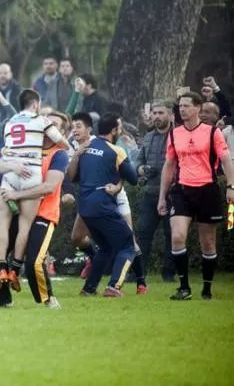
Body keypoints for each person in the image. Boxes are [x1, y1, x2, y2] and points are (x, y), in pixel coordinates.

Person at [0, 112, 70, 308]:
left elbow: (48, 187)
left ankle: (47, 299)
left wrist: (15, 195)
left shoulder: (59, 154)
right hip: (16, 212)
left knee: (34, 262)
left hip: (43, 213)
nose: (47, 129)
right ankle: (3, 301)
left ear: (60, 132)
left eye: (54, 126)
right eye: (46, 124)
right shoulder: (16, 149)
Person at [0, 90, 68, 293]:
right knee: (24, 226)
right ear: (36, 104)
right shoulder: (41, 120)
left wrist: (12, 165)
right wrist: (70, 147)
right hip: (31, 172)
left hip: (11, 170)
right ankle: (15, 269)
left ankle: (0, 269)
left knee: (3, 225)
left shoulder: (9, 122)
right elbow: (59, 140)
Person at [158, 92, 234, 301]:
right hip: (181, 190)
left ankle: (207, 288)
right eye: (180, 106)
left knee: (208, 242)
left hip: (207, 189)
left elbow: (227, 161)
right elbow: (169, 164)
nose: (182, 109)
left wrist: (231, 187)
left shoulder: (212, 133)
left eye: (186, 106)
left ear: (198, 108)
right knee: (177, 236)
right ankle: (184, 288)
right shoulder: (175, 134)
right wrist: (162, 197)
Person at [68, 114, 139, 297]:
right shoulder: (116, 150)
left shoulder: (85, 148)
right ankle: (114, 286)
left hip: (84, 208)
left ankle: (89, 288)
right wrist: (119, 181)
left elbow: (73, 177)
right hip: (102, 204)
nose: (120, 130)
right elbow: (134, 178)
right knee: (127, 245)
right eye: (119, 127)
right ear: (114, 130)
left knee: (105, 248)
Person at [135, 101, 174, 282]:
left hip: (173, 193)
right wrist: (141, 169)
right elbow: (138, 162)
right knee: (143, 233)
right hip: (150, 192)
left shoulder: (177, 135)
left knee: (171, 234)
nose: (156, 116)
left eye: (161, 113)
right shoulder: (148, 136)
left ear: (170, 115)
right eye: (154, 113)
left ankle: (168, 274)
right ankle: (138, 272)